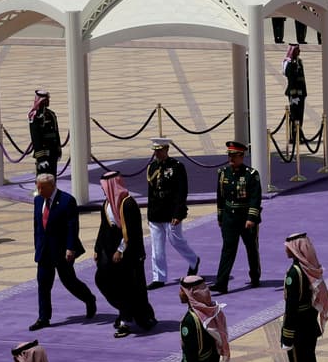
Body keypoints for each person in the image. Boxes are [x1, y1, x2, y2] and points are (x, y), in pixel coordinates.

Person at [30, 173, 97, 330]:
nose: (39, 191)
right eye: (37, 187)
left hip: (62, 250)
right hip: (44, 250)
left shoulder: (67, 201)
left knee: (69, 281)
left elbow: (72, 226)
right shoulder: (38, 200)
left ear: (52, 186)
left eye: (42, 187)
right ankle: (43, 317)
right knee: (43, 284)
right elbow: (37, 226)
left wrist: (70, 247)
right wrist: (37, 246)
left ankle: (89, 299)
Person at [94, 171, 156, 337]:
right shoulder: (106, 205)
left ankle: (128, 319)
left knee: (132, 287)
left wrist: (121, 250)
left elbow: (133, 232)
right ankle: (125, 310)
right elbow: (103, 228)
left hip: (130, 254)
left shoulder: (128, 204)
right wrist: (97, 248)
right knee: (103, 280)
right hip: (110, 251)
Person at [280, 232, 328, 362]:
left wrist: (287, 335)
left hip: (299, 332)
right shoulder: (309, 269)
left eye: (288, 245)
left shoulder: (295, 274)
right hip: (309, 327)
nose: (285, 248)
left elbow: (291, 309)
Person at [146, 138, 200, 290]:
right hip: (156, 212)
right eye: (155, 150)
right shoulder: (152, 167)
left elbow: (181, 192)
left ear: (166, 150)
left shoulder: (176, 167)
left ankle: (193, 260)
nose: (157, 153)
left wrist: (179, 213)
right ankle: (159, 277)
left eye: (159, 150)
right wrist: (149, 213)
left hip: (171, 211)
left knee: (176, 240)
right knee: (156, 248)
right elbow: (151, 192)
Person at [212, 140, 262, 294]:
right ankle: (221, 283)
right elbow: (220, 197)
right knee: (228, 249)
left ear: (242, 156)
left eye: (234, 156)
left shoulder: (251, 175)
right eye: (229, 155)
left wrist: (251, 218)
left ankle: (255, 276)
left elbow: (255, 198)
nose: (231, 159)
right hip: (229, 217)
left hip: (245, 217)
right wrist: (220, 216)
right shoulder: (223, 174)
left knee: (251, 248)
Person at [28, 90, 63, 177]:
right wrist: (41, 158)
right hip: (44, 152)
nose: (48, 101)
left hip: (53, 151)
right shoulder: (35, 117)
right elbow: (36, 138)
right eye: (46, 100)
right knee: (43, 179)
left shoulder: (51, 114)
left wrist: (58, 150)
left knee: (52, 177)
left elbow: (56, 133)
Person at [283, 44, 308, 135]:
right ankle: (294, 135)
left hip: (301, 93)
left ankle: (299, 132)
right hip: (294, 94)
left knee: (300, 114)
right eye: (297, 50)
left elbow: (302, 78)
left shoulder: (299, 62)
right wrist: (294, 95)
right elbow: (290, 79)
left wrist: (304, 93)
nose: (299, 51)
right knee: (294, 115)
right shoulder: (289, 63)